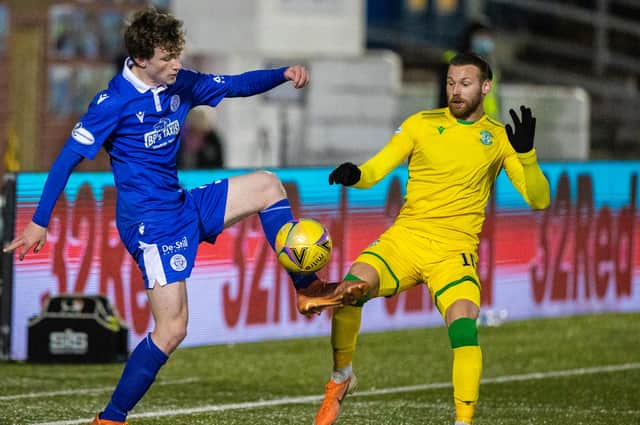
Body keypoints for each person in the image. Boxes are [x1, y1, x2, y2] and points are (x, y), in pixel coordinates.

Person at [3, 7, 366, 425]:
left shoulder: (181, 82)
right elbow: (66, 160)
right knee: (172, 329)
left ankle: (308, 287)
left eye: (177, 54)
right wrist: (39, 220)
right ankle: (110, 418)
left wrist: (283, 73)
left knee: (268, 185)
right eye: (167, 58)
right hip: (150, 225)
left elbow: (236, 85)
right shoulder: (112, 102)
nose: (177, 64)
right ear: (141, 59)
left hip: (182, 205)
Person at [314, 52, 550, 425]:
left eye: (465, 83)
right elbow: (376, 169)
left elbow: (539, 200)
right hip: (405, 240)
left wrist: (528, 156)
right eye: (451, 83)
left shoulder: (501, 140)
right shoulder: (420, 124)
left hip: (453, 252)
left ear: (486, 88)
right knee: (349, 291)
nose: (455, 91)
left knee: (464, 325)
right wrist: (354, 174)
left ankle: (463, 421)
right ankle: (341, 378)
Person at [438, 18, 502, 119]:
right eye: (481, 35)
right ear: (470, 37)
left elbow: (495, 98)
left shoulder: (489, 64)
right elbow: (445, 97)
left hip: (487, 124)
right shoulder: (453, 61)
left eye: (487, 36)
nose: (486, 40)